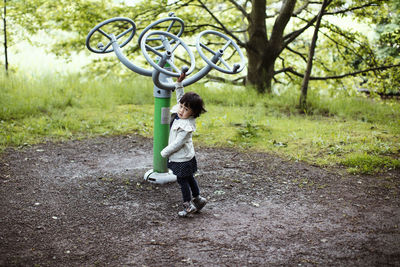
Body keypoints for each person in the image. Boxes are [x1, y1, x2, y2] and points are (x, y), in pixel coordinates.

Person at [160, 72, 207, 217]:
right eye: (181, 106)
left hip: (181, 158)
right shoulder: (182, 114)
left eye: (186, 109)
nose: (181, 110)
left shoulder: (186, 126)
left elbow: (178, 143)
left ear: (193, 113)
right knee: (190, 177)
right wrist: (179, 83)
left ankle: (188, 205)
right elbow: (180, 97)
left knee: (182, 180)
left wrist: (164, 152)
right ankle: (198, 199)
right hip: (187, 157)